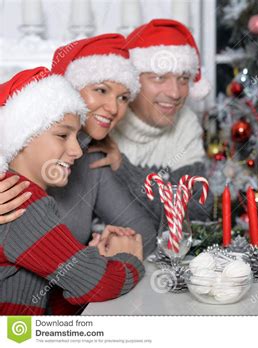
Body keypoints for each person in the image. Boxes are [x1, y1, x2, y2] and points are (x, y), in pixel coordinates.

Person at [0, 67, 144, 315]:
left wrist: (90, 261)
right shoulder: (21, 199)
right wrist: (130, 260)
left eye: (76, 136)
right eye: (62, 135)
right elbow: (98, 285)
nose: (77, 151)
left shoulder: (22, 194)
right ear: (22, 138)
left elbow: (44, 306)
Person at [48, 33, 158, 256]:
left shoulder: (92, 157)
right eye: (101, 90)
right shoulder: (21, 148)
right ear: (69, 89)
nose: (113, 108)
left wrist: (104, 254)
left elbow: (144, 231)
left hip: (75, 288)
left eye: (123, 97)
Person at [97, 19, 214, 221]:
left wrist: (123, 168)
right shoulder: (105, 121)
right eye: (159, 77)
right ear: (132, 82)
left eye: (184, 79)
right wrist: (163, 190)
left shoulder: (186, 124)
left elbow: (196, 212)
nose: (175, 93)